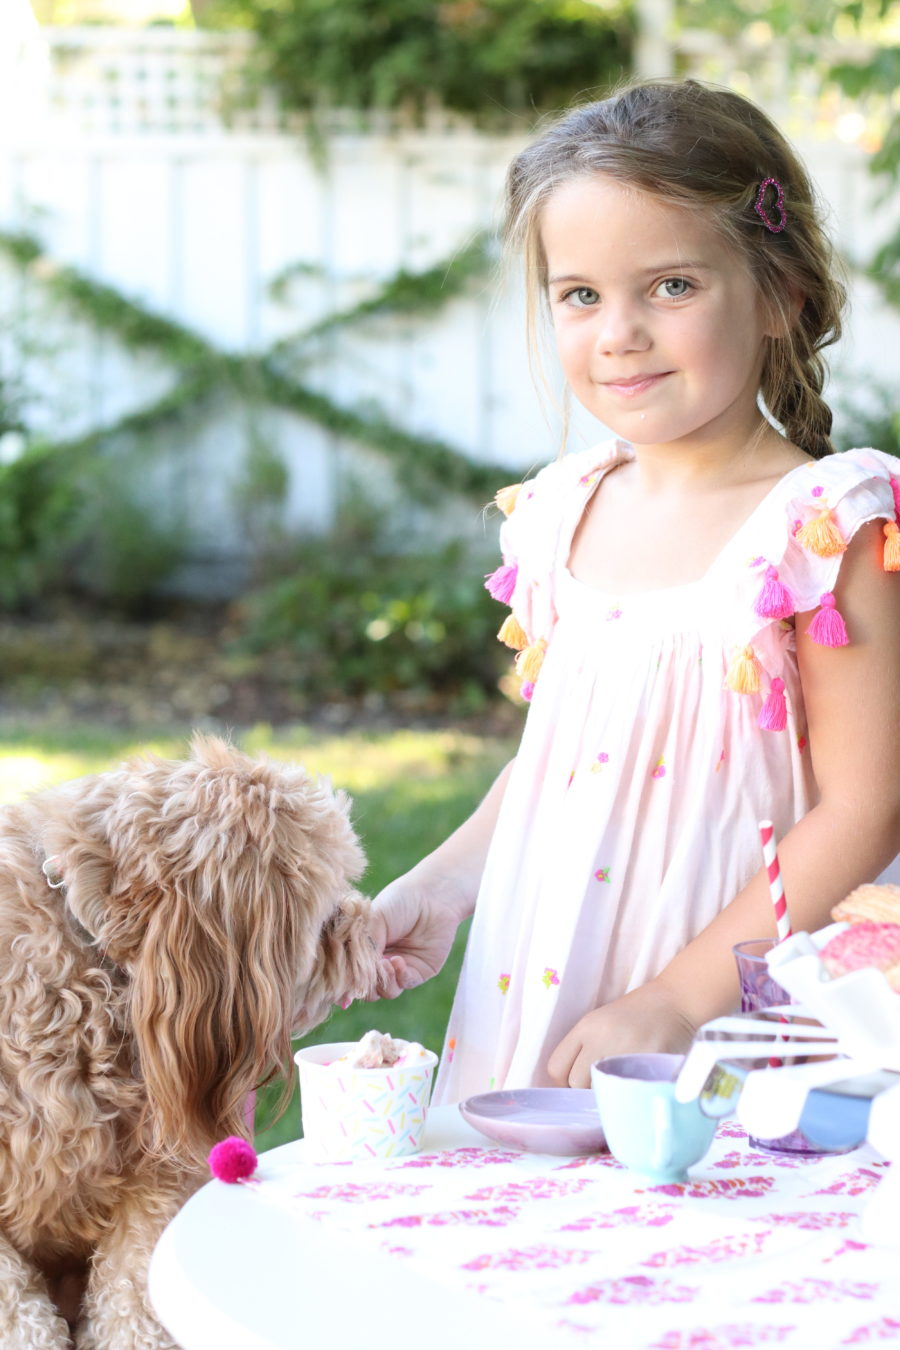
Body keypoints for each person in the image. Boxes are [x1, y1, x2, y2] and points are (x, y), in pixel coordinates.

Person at [370, 78, 900, 1103]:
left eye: (670, 286)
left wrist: (676, 996)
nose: (618, 332)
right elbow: (564, 766)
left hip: (741, 1011)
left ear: (782, 293)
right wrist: (441, 887)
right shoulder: (564, 512)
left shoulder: (823, 529)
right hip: (550, 980)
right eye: (580, 295)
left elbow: (869, 809)